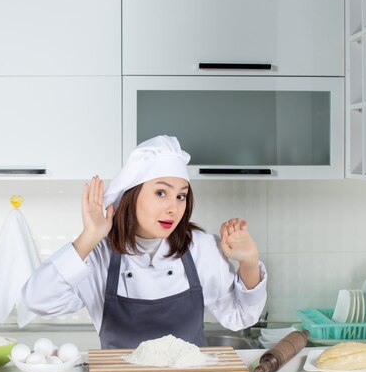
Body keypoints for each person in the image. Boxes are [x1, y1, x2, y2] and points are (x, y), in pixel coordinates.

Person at [22, 135, 267, 349]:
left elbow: (241, 317)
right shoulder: (98, 255)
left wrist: (249, 261)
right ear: (132, 194)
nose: (173, 208)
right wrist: (90, 236)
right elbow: (38, 300)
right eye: (161, 193)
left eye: (181, 195)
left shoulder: (202, 249)